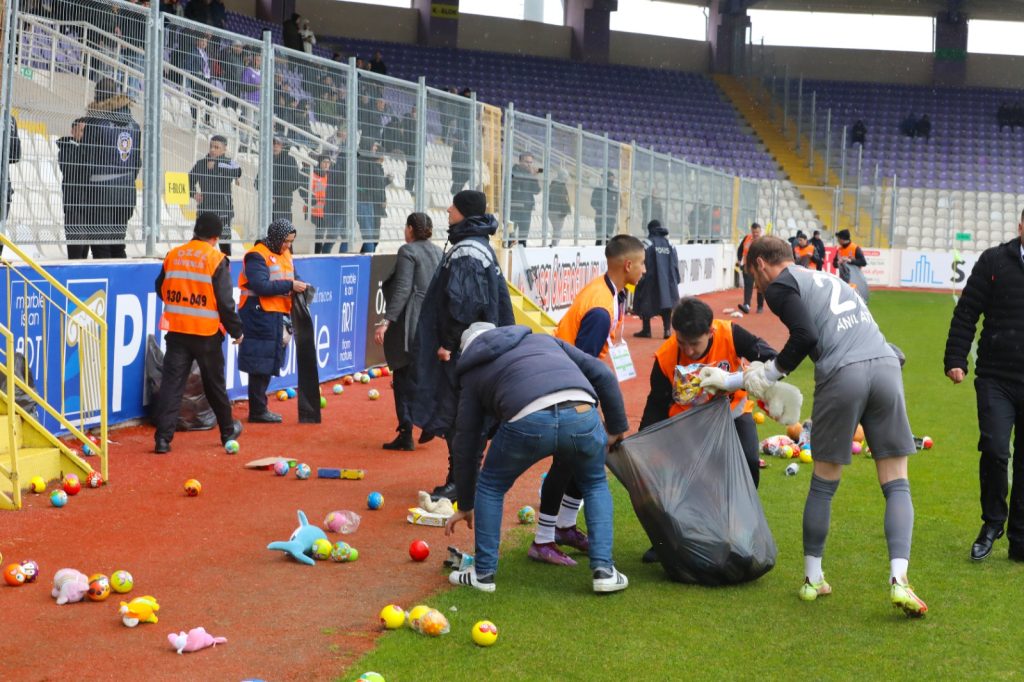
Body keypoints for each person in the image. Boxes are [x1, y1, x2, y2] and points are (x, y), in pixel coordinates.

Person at [742, 235, 927, 617]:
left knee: (824, 484)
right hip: (886, 365)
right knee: (897, 483)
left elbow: (805, 336)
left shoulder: (779, 285)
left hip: (844, 374)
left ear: (760, 264)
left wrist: (771, 373)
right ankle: (900, 580)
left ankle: (813, 578)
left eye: (751, 273)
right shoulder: (828, 279)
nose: (756, 284)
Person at [444, 322, 630, 594]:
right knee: (594, 483)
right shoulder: (545, 340)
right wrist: (616, 427)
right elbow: (602, 373)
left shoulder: (472, 371)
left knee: (492, 485)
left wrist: (466, 503)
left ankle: (483, 574)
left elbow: (467, 441)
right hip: (581, 411)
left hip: (527, 419)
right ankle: (604, 571)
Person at [531, 235, 646, 566]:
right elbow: (581, 361)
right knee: (571, 458)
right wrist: (587, 408)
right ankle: (542, 540)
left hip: (568, 383)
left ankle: (563, 527)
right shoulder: (600, 306)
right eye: (642, 263)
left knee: (585, 455)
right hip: (566, 387)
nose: (645, 269)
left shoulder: (609, 292)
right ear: (628, 265)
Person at [640, 296, 779, 562]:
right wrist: (644, 441)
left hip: (733, 414)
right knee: (676, 480)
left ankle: (742, 530)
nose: (689, 350)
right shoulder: (666, 356)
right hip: (686, 424)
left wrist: (743, 378)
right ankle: (665, 540)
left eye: (695, 343)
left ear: (710, 331)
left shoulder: (731, 334)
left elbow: (771, 358)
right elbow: (656, 403)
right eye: (683, 342)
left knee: (748, 463)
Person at [412, 190, 516, 501]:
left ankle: (460, 481)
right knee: (465, 416)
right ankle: (465, 477)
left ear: (465, 213)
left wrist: (448, 344)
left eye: (453, 207)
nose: (447, 210)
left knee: (460, 417)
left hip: (463, 352)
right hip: (477, 347)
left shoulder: (467, 251)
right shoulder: (478, 244)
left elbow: (465, 304)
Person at [944, 214, 1024, 562]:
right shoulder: (994, 260)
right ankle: (992, 523)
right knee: (994, 449)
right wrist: (955, 358)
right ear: (1021, 226)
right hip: (996, 377)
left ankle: (1020, 536)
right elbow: (967, 311)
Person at [152, 213, 243, 454]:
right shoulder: (216, 259)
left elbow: (160, 287)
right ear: (216, 237)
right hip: (206, 334)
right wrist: (236, 331)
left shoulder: (174, 255)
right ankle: (227, 431)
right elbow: (225, 303)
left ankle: (162, 439)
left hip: (177, 330)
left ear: (195, 231)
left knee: (172, 386)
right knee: (214, 385)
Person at [374, 213, 443, 451]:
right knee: (423, 374)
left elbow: (403, 288)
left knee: (403, 377)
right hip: (432, 323)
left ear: (411, 229)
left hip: (410, 323)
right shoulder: (438, 252)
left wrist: (386, 321)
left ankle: (407, 431)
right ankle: (427, 421)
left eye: (406, 227)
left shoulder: (408, 251)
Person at [237, 219, 308, 424]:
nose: (288, 245)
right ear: (276, 237)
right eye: (286, 241)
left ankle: (259, 409)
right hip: (258, 315)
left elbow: (294, 278)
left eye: (291, 241)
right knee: (260, 363)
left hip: (275, 315)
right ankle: (258, 410)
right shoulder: (256, 255)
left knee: (268, 362)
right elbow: (261, 286)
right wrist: (291, 285)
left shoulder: (285, 253)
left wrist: (301, 286)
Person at [79, 77, 141, 259]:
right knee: (117, 243)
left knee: (100, 245)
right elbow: (137, 161)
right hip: (127, 192)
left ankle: (108, 286)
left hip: (100, 192)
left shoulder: (95, 122)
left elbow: (85, 158)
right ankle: (120, 285)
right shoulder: (134, 126)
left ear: (97, 96)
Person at [188, 135, 242, 256]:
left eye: (216, 147)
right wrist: (193, 193)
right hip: (205, 210)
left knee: (224, 244)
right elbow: (189, 180)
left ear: (224, 149)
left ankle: (225, 268)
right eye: (211, 146)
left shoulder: (229, 162)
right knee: (200, 242)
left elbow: (238, 171)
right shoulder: (201, 163)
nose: (213, 149)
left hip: (224, 210)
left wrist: (216, 164)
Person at [633, 220, 680, 339]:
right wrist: (676, 279)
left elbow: (640, 260)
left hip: (650, 278)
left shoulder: (647, 243)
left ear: (649, 229)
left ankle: (646, 330)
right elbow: (675, 262)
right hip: (668, 280)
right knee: (666, 303)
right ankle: (667, 331)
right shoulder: (670, 244)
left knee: (645, 301)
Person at [57, 118, 88, 258]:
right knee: (76, 244)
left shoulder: (90, 150)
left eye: (86, 131)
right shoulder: (66, 148)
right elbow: (73, 170)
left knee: (85, 246)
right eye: (81, 130)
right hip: (74, 202)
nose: (84, 134)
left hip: (89, 203)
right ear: (72, 131)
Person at [354, 143, 388, 254]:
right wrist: (381, 200)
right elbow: (375, 186)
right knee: (371, 236)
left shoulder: (376, 168)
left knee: (373, 237)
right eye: (373, 149)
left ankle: (367, 255)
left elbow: (379, 185)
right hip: (371, 203)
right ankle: (369, 258)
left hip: (373, 203)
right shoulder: (368, 166)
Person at [509, 152, 540, 246]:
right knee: (510, 237)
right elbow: (515, 186)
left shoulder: (530, 174)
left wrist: (533, 177)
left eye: (531, 162)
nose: (529, 164)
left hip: (526, 209)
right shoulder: (513, 171)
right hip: (514, 209)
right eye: (526, 162)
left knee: (523, 238)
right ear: (520, 161)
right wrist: (528, 175)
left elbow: (536, 190)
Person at [736, 221, 764, 314]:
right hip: (747, 265)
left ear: (760, 231)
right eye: (753, 232)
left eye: (757, 232)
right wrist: (739, 260)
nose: (755, 234)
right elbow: (740, 249)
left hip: (759, 267)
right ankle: (746, 305)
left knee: (759, 286)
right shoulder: (747, 238)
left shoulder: (764, 241)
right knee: (748, 285)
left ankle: (760, 306)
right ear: (751, 231)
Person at [591, 172, 619, 245]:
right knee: (600, 237)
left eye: (613, 178)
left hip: (611, 218)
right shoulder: (598, 189)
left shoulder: (615, 190)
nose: (612, 179)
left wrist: (613, 211)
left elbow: (619, 203)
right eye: (611, 177)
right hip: (600, 217)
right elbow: (593, 202)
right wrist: (601, 210)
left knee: (609, 238)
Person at [548, 169, 571, 246]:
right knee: (557, 230)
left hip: (554, 210)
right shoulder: (559, 186)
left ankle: (554, 244)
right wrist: (564, 211)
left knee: (557, 230)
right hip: (557, 211)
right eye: (566, 176)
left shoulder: (555, 184)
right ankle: (554, 245)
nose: (567, 178)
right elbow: (562, 200)